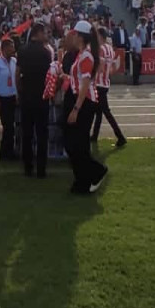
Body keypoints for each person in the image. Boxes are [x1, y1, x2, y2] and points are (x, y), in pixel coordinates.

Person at [63, 21, 107, 194]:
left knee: (77, 145)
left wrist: (76, 109)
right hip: (82, 100)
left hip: (84, 102)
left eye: (74, 34)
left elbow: (85, 84)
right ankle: (83, 180)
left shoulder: (86, 55)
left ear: (79, 36)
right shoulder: (83, 54)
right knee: (75, 144)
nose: (72, 37)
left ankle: (96, 172)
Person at [16, 23, 52, 178]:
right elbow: (49, 76)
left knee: (27, 134)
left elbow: (17, 74)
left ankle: (28, 167)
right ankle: (41, 170)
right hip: (41, 97)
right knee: (42, 134)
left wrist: (20, 91)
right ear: (38, 33)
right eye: (45, 33)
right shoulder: (46, 52)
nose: (47, 35)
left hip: (27, 97)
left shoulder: (22, 51)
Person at [91, 26, 127, 149]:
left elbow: (100, 65)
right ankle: (94, 135)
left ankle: (120, 136)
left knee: (105, 112)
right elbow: (111, 68)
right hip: (105, 82)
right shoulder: (110, 49)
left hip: (100, 83)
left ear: (100, 36)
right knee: (99, 112)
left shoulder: (100, 49)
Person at [0, 38, 18, 161]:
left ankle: (8, 151)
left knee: (10, 126)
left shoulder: (14, 61)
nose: (13, 49)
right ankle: (5, 153)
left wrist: (17, 95)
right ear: (5, 48)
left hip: (12, 97)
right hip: (2, 98)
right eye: (11, 47)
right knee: (8, 126)